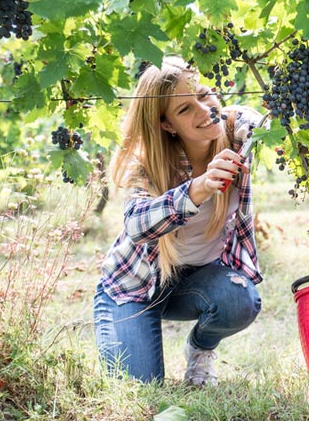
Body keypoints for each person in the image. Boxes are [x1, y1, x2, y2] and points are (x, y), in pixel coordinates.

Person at [94, 57, 264, 386]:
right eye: (185, 109)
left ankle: (200, 350)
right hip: (134, 286)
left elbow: (283, 130)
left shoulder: (237, 129)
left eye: (203, 94)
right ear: (167, 124)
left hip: (196, 282)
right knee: (138, 388)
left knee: (239, 300)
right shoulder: (147, 164)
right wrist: (198, 188)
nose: (203, 110)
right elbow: (136, 225)